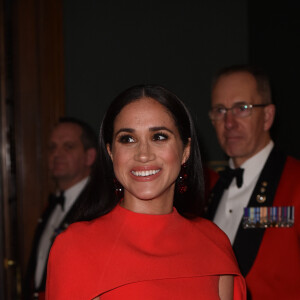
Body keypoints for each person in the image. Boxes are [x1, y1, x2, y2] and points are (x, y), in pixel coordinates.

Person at [45, 85, 246, 299]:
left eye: (159, 137)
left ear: (185, 150)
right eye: (128, 139)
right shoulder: (75, 247)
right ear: (111, 152)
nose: (143, 154)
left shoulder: (214, 242)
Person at [206, 65, 300, 299]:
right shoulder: (205, 189)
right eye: (220, 110)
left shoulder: (296, 182)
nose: (229, 122)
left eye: (242, 109)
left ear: (267, 116)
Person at [24, 117, 98, 300]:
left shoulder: (97, 207)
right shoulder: (51, 204)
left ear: (89, 156)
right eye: (52, 147)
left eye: (68, 146)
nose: (57, 154)